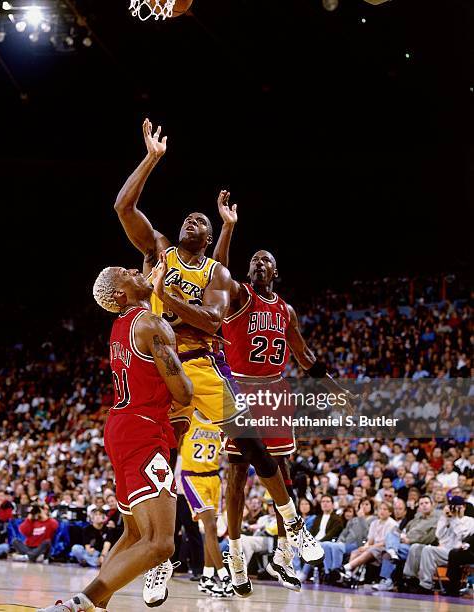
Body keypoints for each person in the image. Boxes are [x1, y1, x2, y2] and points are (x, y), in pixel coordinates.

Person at [114, 120, 325, 600]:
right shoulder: (159, 250)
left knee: (248, 440)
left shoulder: (217, 273)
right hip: (159, 365)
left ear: (208, 237)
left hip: (200, 362)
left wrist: (169, 296)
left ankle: (293, 526)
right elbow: (123, 207)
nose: (192, 220)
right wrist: (151, 159)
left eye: (201, 221)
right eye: (188, 217)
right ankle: (159, 556)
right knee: (159, 457)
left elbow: (211, 324)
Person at [212, 192, 355, 594]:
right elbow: (218, 270)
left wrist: (336, 390)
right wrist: (228, 226)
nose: (259, 263)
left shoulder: (286, 311)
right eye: (254, 259)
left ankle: (284, 553)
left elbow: (305, 356)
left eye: (266, 260)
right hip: (241, 390)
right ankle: (236, 553)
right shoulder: (239, 295)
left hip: (275, 391)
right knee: (237, 473)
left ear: (276, 270)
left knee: (282, 471)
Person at [37, 264, 193, 612]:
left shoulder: (122, 324)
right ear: (122, 294)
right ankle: (75, 606)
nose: (137, 271)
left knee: (135, 534)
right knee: (160, 543)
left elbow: (144, 301)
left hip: (122, 427)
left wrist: (156, 286)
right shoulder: (152, 324)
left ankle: (96, 607)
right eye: (128, 272)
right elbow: (182, 392)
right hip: (143, 430)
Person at [179, 413, 232, 597]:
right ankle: (224, 576)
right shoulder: (188, 417)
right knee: (209, 526)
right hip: (192, 477)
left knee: (212, 530)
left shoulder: (220, 422)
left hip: (214, 479)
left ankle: (207, 577)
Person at [402, 496, 474, 594]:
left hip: (456, 553)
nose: (456, 509)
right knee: (415, 547)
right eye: (453, 506)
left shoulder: (470, 521)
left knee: (428, 550)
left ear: (464, 507)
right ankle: (410, 579)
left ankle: (426, 585)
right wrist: (444, 518)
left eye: (459, 507)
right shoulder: (448, 517)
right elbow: (438, 535)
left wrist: (455, 519)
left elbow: (462, 535)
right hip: (443, 549)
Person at [373, 494, 439, 591]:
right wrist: (401, 536)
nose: (424, 505)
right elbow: (403, 530)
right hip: (403, 544)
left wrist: (409, 540)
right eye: (421, 504)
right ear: (419, 507)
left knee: (388, 552)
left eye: (426, 503)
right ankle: (392, 553)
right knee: (391, 533)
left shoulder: (436, 521)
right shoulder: (416, 519)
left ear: (432, 505)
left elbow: (429, 539)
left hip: (417, 547)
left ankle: (388, 579)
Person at [341, 502, 398, 580]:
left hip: (384, 548)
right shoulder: (374, 523)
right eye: (380, 509)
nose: (382, 511)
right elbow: (370, 540)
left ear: (390, 512)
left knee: (370, 551)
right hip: (373, 547)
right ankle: (349, 575)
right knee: (355, 552)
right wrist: (365, 546)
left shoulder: (392, 524)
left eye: (385, 509)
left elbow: (385, 542)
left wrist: (369, 547)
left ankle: (346, 567)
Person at [321, 500, 375, 583]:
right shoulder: (353, 520)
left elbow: (367, 534)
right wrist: (340, 541)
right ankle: (328, 572)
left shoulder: (373, 520)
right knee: (324, 545)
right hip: (345, 543)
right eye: (362, 504)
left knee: (336, 547)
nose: (364, 506)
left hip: (358, 544)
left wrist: (362, 519)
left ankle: (337, 573)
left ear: (371, 507)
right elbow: (344, 533)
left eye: (367, 504)